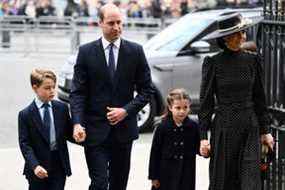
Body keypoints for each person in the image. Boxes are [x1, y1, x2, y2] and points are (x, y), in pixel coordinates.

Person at [70, 3, 153, 190]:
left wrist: (126, 111)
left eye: (119, 22)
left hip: (123, 132)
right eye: (111, 23)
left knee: (118, 184)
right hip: (95, 131)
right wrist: (77, 122)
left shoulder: (135, 51)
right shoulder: (86, 52)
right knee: (99, 183)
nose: (116, 27)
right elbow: (78, 93)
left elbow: (147, 91)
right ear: (100, 23)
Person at [198, 13, 275, 190]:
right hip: (225, 127)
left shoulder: (252, 60)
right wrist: (203, 137)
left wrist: (266, 130)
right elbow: (206, 102)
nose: (243, 36)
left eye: (243, 32)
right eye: (238, 33)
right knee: (225, 179)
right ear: (226, 38)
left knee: (249, 180)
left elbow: (260, 97)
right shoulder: (213, 63)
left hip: (249, 125)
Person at [18, 69, 74, 190]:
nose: (52, 91)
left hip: (58, 165)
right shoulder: (25, 115)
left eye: (53, 87)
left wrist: (82, 136)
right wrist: (35, 165)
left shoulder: (62, 108)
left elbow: (69, 133)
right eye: (47, 88)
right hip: (37, 167)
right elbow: (25, 144)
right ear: (35, 87)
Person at [148, 88, 200, 190]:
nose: (182, 111)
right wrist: (153, 177)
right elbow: (155, 152)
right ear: (170, 107)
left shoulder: (193, 126)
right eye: (178, 108)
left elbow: (198, 147)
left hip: (186, 173)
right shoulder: (162, 127)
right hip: (165, 173)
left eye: (185, 107)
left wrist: (205, 150)